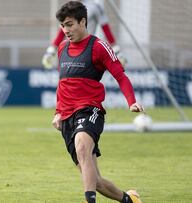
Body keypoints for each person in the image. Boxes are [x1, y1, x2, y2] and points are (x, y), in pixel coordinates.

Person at [51, 1, 143, 203]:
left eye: (69, 24)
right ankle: (130, 200)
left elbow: (121, 76)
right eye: (62, 26)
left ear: (83, 22)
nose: (65, 30)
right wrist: (58, 112)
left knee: (82, 145)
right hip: (66, 116)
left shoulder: (99, 46)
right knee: (95, 179)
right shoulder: (62, 48)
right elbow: (63, 84)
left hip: (89, 109)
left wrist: (131, 101)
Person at [42, 0, 126, 69]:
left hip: (88, 50)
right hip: (70, 49)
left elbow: (106, 30)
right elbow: (61, 32)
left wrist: (117, 52)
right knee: (66, 80)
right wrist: (50, 52)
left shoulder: (95, 7)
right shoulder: (69, 7)